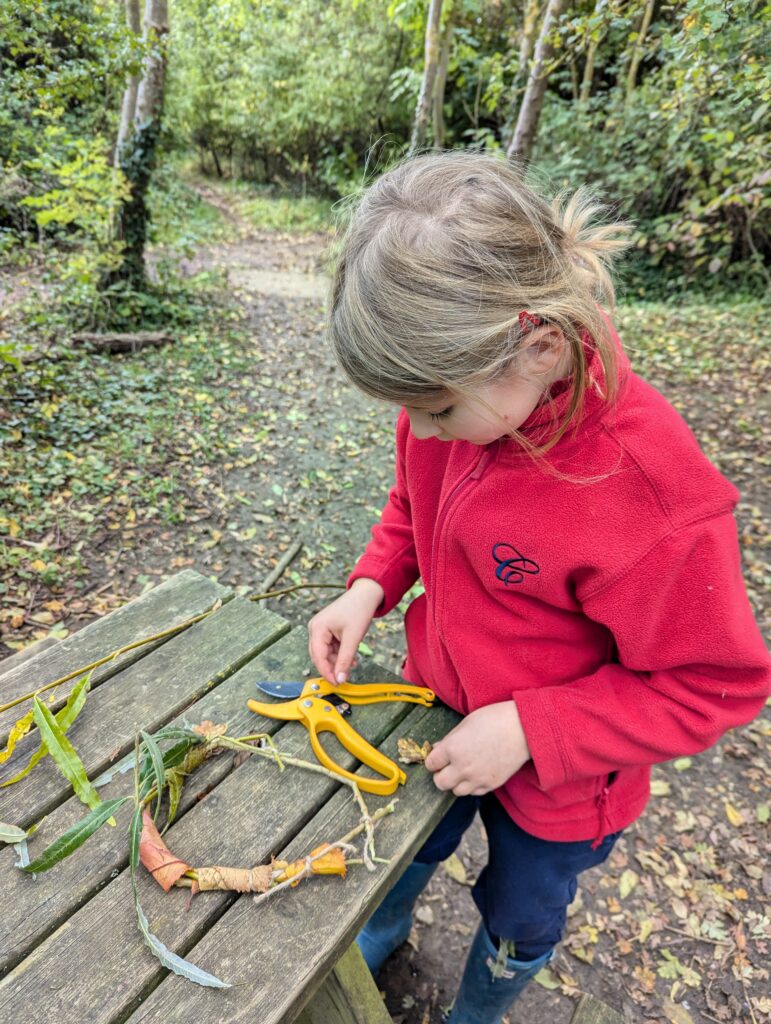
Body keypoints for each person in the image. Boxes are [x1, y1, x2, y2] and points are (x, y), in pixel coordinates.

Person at [307, 151, 770, 1024]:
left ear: (540, 345)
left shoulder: (651, 497)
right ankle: (383, 935)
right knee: (406, 851)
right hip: (434, 713)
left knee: (521, 913)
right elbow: (415, 502)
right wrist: (370, 583)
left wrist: (530, 726)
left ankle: (481, 1006)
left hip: (564, 786)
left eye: (436, 411)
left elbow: (716, 685)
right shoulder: (467, 405)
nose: (418, 431)